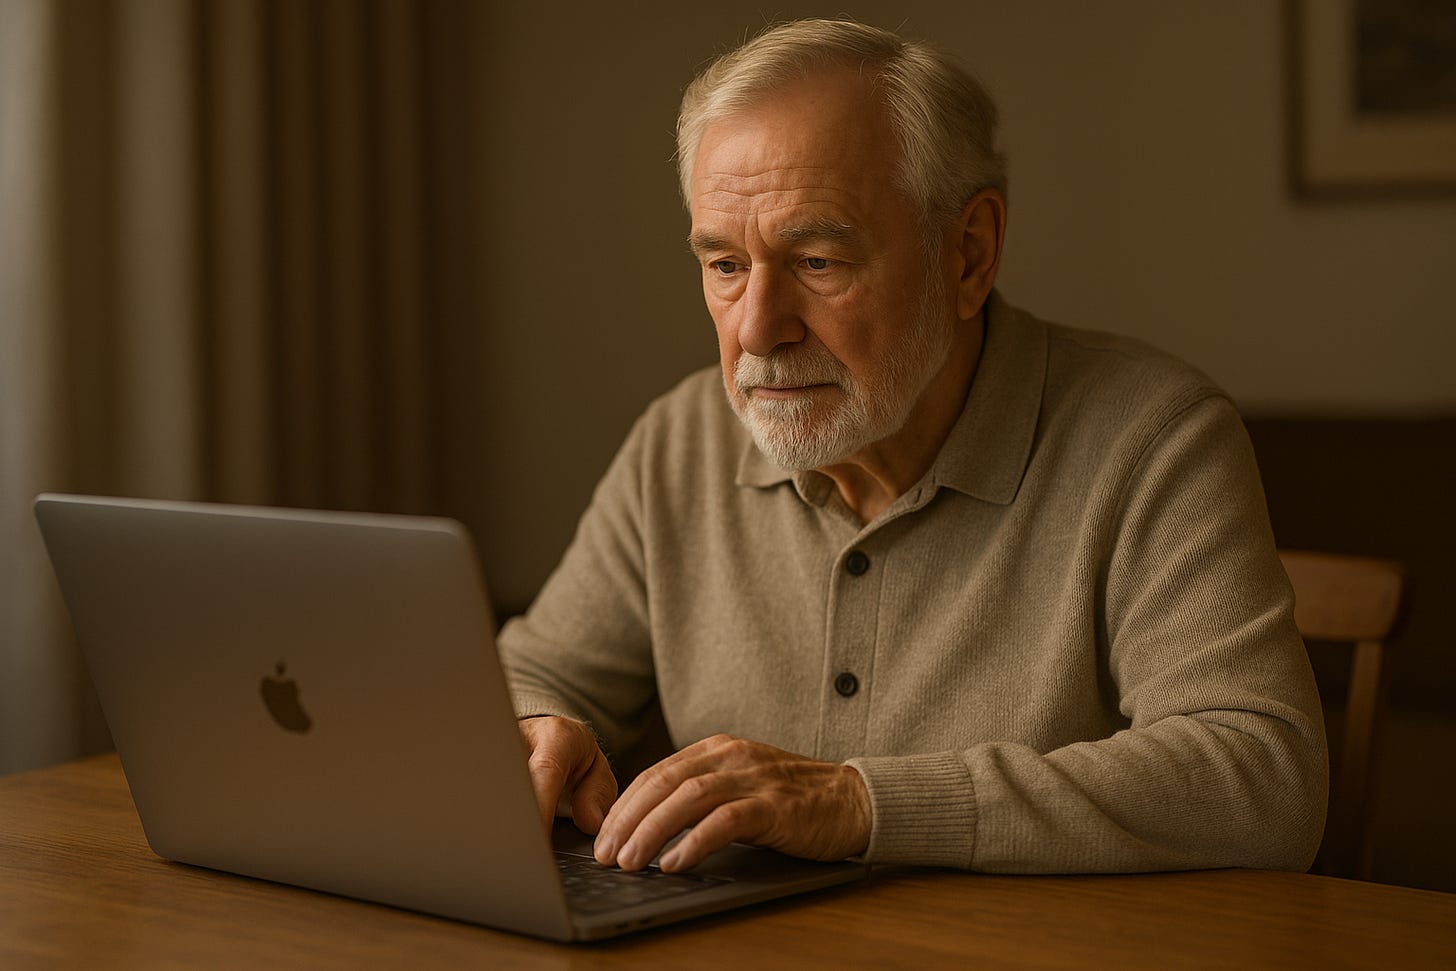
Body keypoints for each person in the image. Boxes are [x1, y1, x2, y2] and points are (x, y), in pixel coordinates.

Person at [499, 18, 1327, 876]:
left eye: (817, 260)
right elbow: (532, 672)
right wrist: (537, 726)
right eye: (724, 265)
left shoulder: (1155, 436)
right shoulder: (681, 441)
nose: (757, 328)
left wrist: (860, 803)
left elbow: (1263, 776)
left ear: (969, 254)